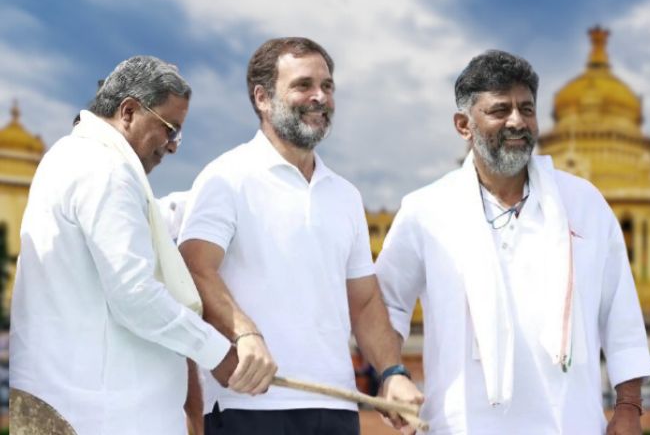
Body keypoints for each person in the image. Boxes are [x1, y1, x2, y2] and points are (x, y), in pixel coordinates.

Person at [375, 50, 650, 434]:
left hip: (569, 423)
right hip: (462, 424)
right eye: (500, 110)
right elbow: (384, 305)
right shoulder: (427, 210)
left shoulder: (582, 203)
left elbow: (620, 313)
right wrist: (393, 373)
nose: (516, 122)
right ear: (463, 125)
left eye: (526, 109)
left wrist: (628, 407)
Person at [178, 37, 422, 434]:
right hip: (249, 405)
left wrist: (392, 372)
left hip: (336, 405)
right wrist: (246, 333)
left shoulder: (345, 195)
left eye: (327, 86)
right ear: (262, 97)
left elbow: (363, 302)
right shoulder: (226, 177)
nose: (319, 97)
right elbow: (195, 267)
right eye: (303, 85)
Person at [10, 56, 242, 434]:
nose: (172, 147)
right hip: (98, 414)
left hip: (80, 405)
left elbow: (150, 225)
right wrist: (217, 352)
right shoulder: (105, 170)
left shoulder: (77, 159)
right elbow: (135, 295)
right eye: (170, 129)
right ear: (130, 111)